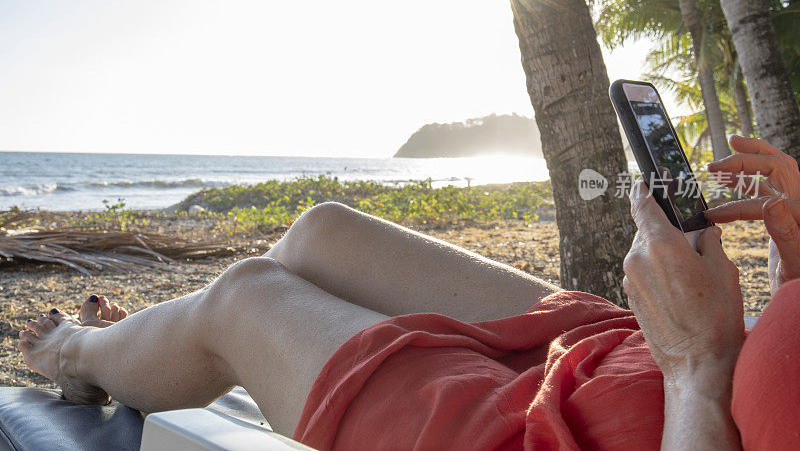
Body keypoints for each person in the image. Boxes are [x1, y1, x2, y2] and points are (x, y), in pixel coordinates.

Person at [17, 134, 800, 450]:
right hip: (617, 358)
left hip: (581, 428)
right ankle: (156, 342)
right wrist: (792, 275)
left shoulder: (695, 363)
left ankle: (81, 354)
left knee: (245, 294)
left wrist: (698, 361)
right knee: (324, 228)